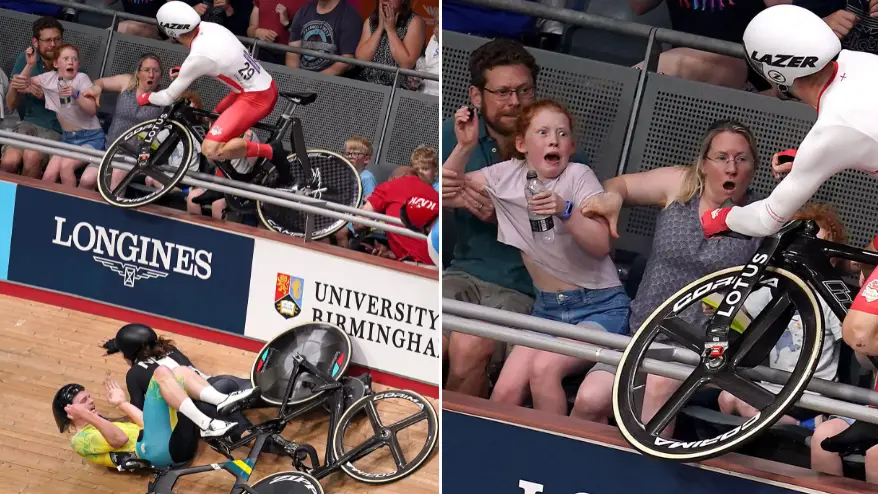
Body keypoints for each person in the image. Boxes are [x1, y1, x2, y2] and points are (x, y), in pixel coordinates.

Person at [697, 4, 878, 356]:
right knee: (867, 261)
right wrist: (808, 160)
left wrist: (721, 217)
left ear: (774, 74)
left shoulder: (832, 130)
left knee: (860, 333)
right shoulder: (859, 61)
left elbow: (767, 217)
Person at [445, 99, 630, 414]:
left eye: (561, 133)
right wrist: (465, 146)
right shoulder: (508, 174)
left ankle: (554, 458)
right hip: (547, 310)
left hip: (598, 307)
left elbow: (601, 245)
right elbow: (446, 190)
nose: (553, 139)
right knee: (503, 393)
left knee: (544, 370)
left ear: (571, 146)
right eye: (542, 132)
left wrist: (565, 210)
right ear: (521, 144)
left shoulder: (578, 175)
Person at [577, 118, 762, 432]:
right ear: (703, 164)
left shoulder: (760, 216)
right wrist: (613, 198)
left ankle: (642, 478)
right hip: (642, 333)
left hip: (700, 348)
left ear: (752, 168)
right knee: (589, 399)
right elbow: (618, 185)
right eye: (721, 158)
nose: (731, 168)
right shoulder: (681, 185)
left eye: (741, 159)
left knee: (657, 389)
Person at [716, 203, 845, 428]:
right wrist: (716, 303)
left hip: (812, 392)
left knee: (752, 409)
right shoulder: (776, 288)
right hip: (773, 386)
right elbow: (741, 309)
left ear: (832, 258)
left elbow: (851, 338)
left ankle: (803, 426)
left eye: (819, 251)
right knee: (726, 398)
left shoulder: (829, 298)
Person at [138, 1, 293, 186]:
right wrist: (186, 69)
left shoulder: (197, 58)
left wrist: (145, 97)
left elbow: (167, 97)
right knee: (214, 121)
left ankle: (271, 151)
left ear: (170, 31)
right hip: (256, 86)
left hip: (255, 96)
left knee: (210, 149)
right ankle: (220, 183)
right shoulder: (210, 27)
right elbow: (216, 58)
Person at [52, 364, 242, 470]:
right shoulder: (80, 439)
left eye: (89, 397)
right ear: (71, 413)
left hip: (168, 443)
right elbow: (120, 440)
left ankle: (223, 401)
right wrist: (88, 416)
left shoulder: (99, 424)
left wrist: (122, 404)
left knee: (179, 373)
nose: (91, 401)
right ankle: (206, 423)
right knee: (161, 374)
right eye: (84, 401)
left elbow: (147, 423)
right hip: (159, 453)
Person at [19, 44, 106, 188]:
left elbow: (92, 110)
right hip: (68, 139)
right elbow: (21, 84)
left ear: (78, 64)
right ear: (56, 64)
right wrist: (29, 65)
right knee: (48, 176)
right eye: (65, 58)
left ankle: (71, 207)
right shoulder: (50, 78)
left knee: (66, 167)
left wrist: (75, 93)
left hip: (91, 138)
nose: (70, 62)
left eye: (74, 59)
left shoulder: (81, 78)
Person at [1, 16, 64, 179]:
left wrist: (46, 96)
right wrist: (19, 83)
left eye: (57, 39)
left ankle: (25, 203)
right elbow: (10, 104)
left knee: (32, 157)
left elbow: (76, 109)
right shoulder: (26, 59)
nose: (53, 44)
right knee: (10, 161)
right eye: (48, 40)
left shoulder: (70, 62)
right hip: (27, 124)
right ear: (35, 42)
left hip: (55, 129)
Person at [354, 0, 426, 87]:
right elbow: (361, 59)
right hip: (366, 82)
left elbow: (406, 64)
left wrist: (391, 31)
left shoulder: (415, 21)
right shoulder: (371, 20)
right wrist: (380, 28)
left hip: (397, 88)